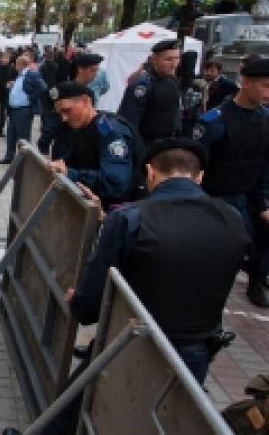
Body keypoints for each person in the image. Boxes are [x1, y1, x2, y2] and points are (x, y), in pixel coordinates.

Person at [34, 139, 251, 434]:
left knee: (74, 412)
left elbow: (89, 304)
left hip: (130, 344)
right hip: (193, 354)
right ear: (199, 177)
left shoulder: (130, 218)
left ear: (150, 173)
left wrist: (79, 301)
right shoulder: (234, 219)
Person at [193, 58, 269, 307]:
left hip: (249, 195)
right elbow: (195, 167)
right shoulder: (214, 121)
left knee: (255, 245)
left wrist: (263, 203)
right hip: (216, 197)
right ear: (245, 83)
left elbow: (264, 165)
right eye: (265, 86)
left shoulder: (265, 119)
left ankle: (256, 280)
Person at [47, 82, 139, 208]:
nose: (64, 118)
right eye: (60, 113)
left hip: (118, 210)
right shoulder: (84, 127)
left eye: (67, 111)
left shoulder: (108, 130)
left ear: (85, 101)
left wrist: (70, 173)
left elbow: (114, 184)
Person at [118, 39, 182, 146]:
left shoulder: (172, 80)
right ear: (154, 60)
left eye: (177, 58)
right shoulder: (143, 85)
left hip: (169, 142)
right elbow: (129, 121)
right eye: (168, 59)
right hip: (147, 143)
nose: (174, 64)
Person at [38, 53, 103, 157]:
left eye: (96, 71)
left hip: (80, 145)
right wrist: (45, 142)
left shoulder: (89, 93)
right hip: (64, 144)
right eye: (92, 70)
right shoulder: (64, 89)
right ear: (80, 69)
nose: (95, 74)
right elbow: (52, 110)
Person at [0, 55, 45, 164]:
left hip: (23, 110)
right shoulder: (19, 75)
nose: (15, 66)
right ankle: (9, 156)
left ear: (22, 64)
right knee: (11, 134)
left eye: (17, 63)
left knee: (23, 136)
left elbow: (42, 87)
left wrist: (31, 98)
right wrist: (12, 86)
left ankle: (23, 160)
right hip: (14, 109)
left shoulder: (31, 74)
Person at [177, 51, 207, 138]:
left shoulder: (176, 80)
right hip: (192, 120)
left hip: (181, 120)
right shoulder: (200, 82)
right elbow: (204, 104)